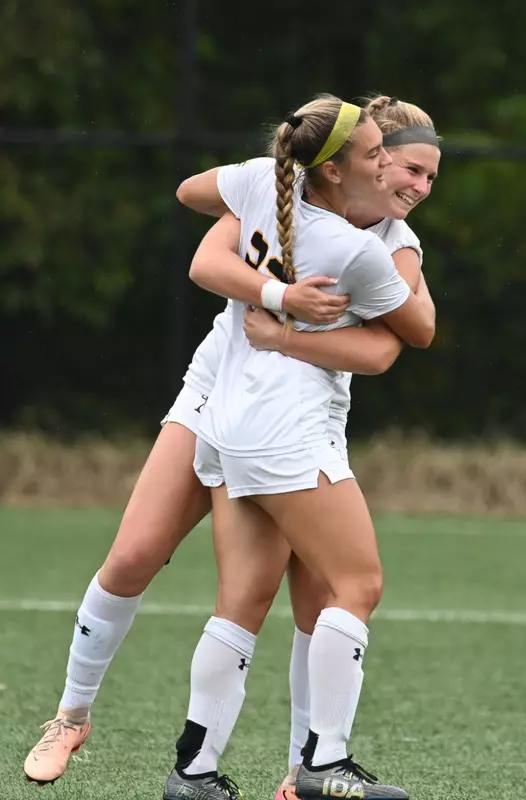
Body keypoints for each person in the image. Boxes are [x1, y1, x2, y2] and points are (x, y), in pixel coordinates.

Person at [22, 96, 440, 798]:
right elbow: (208, 259)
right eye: (403, 167)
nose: (417, 185)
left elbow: (399, 336)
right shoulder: (279, 191)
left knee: (288, 600)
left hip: (280, 415)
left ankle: (278, 773)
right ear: (352, 165)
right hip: (227, 398)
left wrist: (284, 332)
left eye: (429, 175)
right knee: (136, 556)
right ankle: (72, 717)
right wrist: (280, 299)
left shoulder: (391, 242)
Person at [163, 93, 438, 800]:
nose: (394, 171)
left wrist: (274, 290)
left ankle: (193, 774)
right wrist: (407, 261)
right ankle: (323, 764)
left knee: (241, 603)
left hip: (229, 418)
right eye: (380, 157)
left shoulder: (265, 187)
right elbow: (411, 335)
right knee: (358, 585)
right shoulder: (358, 247)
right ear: (338, 169)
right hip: (287, 428)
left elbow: (192, 195)